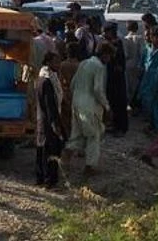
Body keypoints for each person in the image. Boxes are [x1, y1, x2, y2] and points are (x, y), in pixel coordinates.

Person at [63, 42, 113, 176]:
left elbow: (73, 84)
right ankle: (90, 167)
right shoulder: (99, 67)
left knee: (77, 134)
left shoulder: (84, 63)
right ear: (105, 55)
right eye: (109, 56)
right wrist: (107, 106)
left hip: (77, 103)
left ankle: (65, 159)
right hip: (90, 106)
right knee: (94, 135)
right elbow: (98, 89)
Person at [35, 52, 65, 189]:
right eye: (55, 62)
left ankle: (41, 178)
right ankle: (49, 181)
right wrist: (55, 124)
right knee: (51, 150)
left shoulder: (44, 77)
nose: (58, 65)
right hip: (48, 121)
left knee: (42, 148)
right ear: (48, 63)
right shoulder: (47, 81)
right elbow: (50, 105)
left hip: (43, 119)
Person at [136, 26, 158, 133]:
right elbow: (142, 63)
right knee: (147, 103)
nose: (157, 39)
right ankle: (151, 124)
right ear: (151, 37)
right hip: (146, 80)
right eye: (155, 37)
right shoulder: (147, 49)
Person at [102, 23, 128, 136]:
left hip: (117, 79)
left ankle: (121, 128)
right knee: (113, 102)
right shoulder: (111, 43)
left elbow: (119, 63)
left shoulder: (117, 43)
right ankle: (114, 125)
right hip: (111, 78)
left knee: (119, 104)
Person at [58, 43, 81, 135]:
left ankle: (66, 135)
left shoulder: (62, 65)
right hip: (77, 92)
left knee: (65, 116)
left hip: (66, 91)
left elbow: (59, 80)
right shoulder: (80, 65)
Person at [123, 21, 145, 107]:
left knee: (129, 85)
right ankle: (135, 103)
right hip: (137, 63)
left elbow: (126, 54)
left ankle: (130, 103)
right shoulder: (139, 38)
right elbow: (141, 52)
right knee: (136, 85)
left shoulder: (125, 39)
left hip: (128, 64)